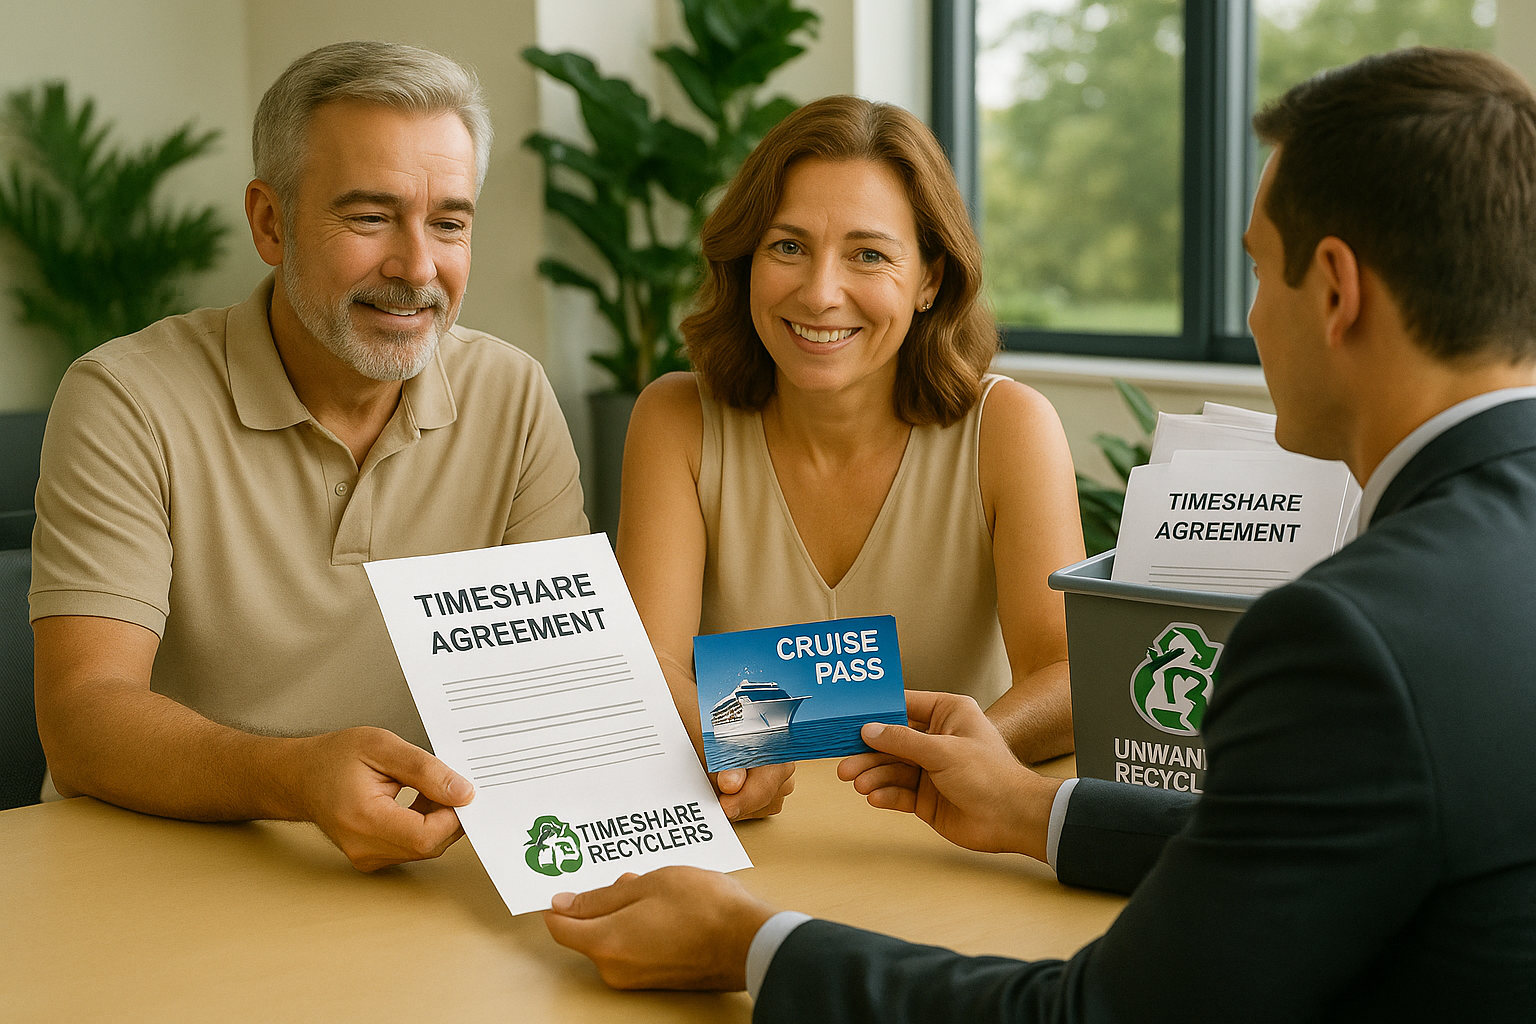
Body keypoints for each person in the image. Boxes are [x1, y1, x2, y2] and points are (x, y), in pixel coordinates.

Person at [544, 47, 1536, 1020]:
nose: (1249, 314)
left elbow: (1099, 1007)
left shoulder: (1347, 637)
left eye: (1258, 272)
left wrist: (750, 944)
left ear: (1333, 289)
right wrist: (1031, 809)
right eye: (788, 245)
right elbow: (1299, 840)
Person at [30, 41, 588, 872]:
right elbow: (83, 718)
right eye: (369, 217)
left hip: (423, 871)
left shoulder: (511, 392)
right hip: (156, 867)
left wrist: (712, 757)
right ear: (269, 221)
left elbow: (564, 679)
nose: (416, 268)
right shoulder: (126, 397)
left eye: (448, 223)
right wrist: (294, 779)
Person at [617, 96, 1084, 820]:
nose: (821, 292)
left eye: (868, 254)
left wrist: (964, 757)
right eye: (788, 246)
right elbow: (650, 666)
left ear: (930, 278)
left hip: (946, 840)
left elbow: (1067, 672)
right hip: (745, 839)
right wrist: (734, 761)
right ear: (746, 260)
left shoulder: (1011, 428)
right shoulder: (675, 420)